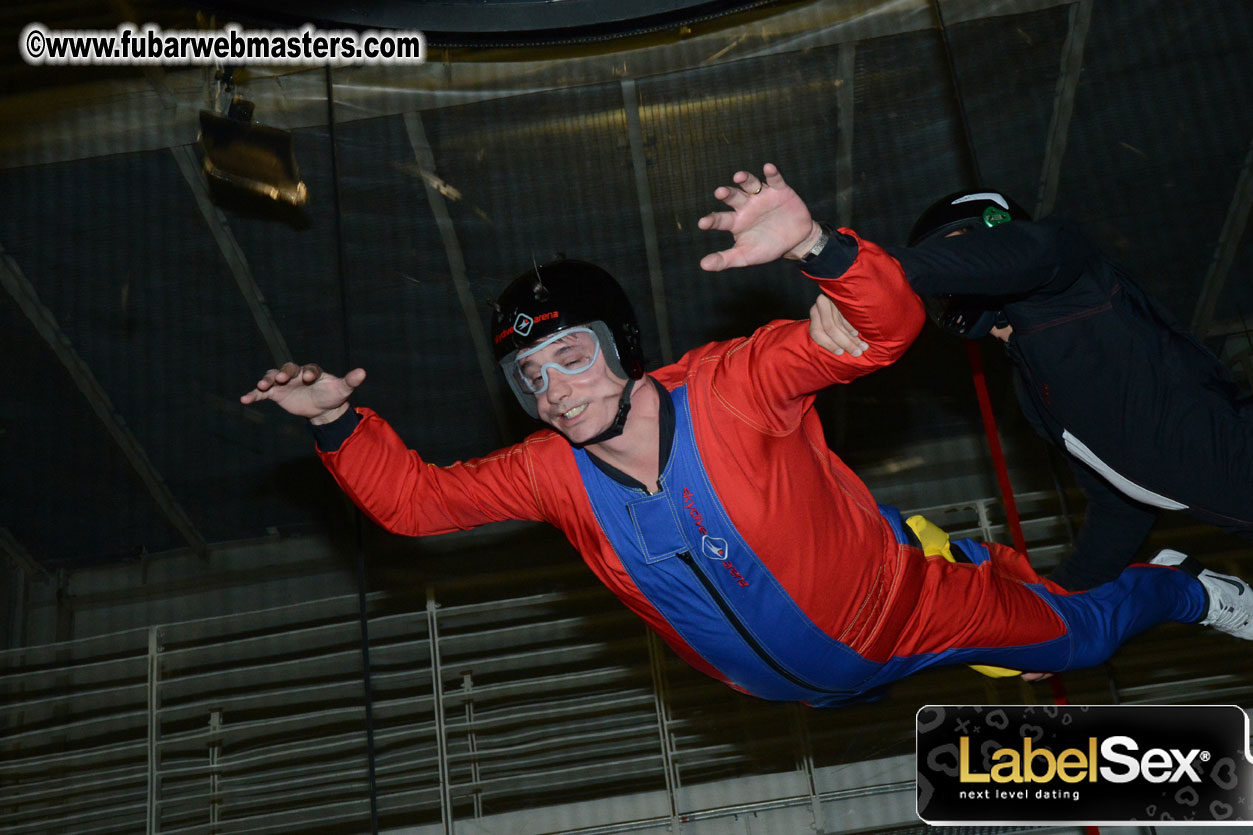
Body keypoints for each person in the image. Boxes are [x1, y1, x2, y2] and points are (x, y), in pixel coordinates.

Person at [241, 166, 1253, 706]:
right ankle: (961, 556)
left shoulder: (730, 386)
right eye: (531, 377)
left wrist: (819, 248)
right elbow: (414, 504)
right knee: (986, 633)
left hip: (904, 616)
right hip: (799, 693)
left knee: (1062, 639)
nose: (554, 391)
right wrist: (334, 418)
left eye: (574, 357)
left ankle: (1183, 588)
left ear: (622, 347)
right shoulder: (550, 474)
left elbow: (880, 330)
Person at [894, 190, 1253, 590]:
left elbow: (1037, 250)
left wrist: (872, 267)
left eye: (958, 254)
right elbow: (1120, 505)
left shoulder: (1069, 277)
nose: (951, 277)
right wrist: (1063, 600)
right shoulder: (1031, 387)